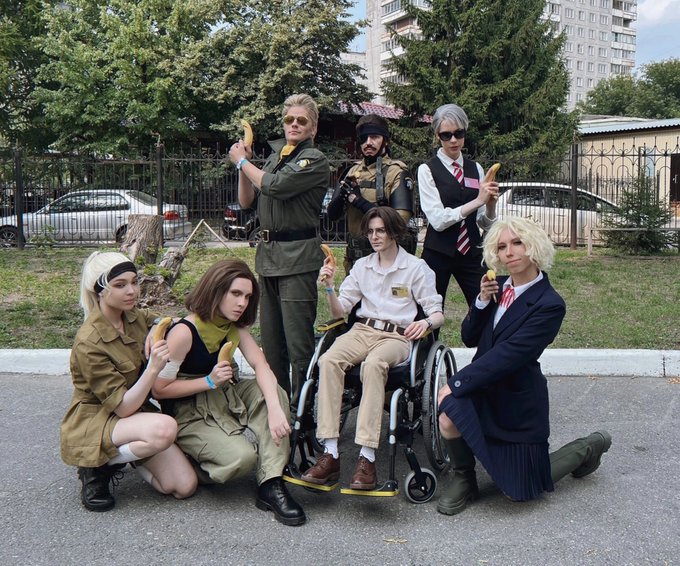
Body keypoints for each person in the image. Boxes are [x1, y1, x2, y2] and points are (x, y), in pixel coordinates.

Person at [436, 216, 612, 515]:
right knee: (448, 416)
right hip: (482, 389)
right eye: (502, 246)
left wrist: (456, 383)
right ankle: (464, 477)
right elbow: (469, 338)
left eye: (517, 243)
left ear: (534, 246)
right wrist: (481, 301)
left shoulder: (550, 304)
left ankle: (586, 448)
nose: (510, 252)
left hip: (516, 402)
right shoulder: (496, 287)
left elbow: (510, 354)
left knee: (520, 492)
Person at [151, 259, 306, 526]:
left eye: (247, 296)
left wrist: (275, 410)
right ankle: (186, 462)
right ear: (216, 291)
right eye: (235, 294)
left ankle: (271, 482)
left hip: (224, 395)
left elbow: (260, 365)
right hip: (189, 409)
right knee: (242, 459)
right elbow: (159, 390)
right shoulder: (184, 333)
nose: (242, 303)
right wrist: (208, 381)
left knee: (272, 392)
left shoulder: (233, 326)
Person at [301, 207, 444, 490]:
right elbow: (340, 312)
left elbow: (437, 313)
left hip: (397, 336)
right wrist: (329, 287)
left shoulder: (415, 268)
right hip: (362, 330)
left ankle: (367, 458)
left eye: (380, 231)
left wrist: (425, 323)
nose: (374, 236)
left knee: (374, 364)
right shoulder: (362, 266)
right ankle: (330, 452)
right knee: (328, 360)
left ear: (394, 232)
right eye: (370, 232)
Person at [60, 252, 197, 512]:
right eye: (120, 285)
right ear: (99, 290)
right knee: (164, 429)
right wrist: (153, 368)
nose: (132, 291)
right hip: (98, 418)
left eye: (134, 282)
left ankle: (128, 454)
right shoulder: (89, 342)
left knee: (184, 486)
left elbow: (163, 319)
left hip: (135, 413)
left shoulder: (132, 316)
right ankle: (97, 467)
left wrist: (158, 325)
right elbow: (122, 408)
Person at [228, 93, 330, 410]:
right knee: (272, 346)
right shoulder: (276, 158)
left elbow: (275, 187)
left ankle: (304, 413)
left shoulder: (313, 159)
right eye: (289, 119)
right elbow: (246, 201)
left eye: (301, 120)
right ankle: (281, 408)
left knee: (298, 346)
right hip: (269, 258)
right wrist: (243, 167)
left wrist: (243, 162)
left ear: (313, 127)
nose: (294, 124)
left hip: (298, 259)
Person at [418, 103, 499, 309]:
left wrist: (490, 205)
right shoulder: (427, 170)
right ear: (437, 136)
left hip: (471, 251)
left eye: (458, 133)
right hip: (438, 251)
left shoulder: (476, 168)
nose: (453, 140)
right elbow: (438, 220)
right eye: (446, 135)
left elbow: (484, 222)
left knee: (487, 305)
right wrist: (477, 201)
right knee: (429, 310)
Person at [325, 113, 416, 273]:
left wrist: (358, 201)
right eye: (364, 138)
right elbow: (332, 215)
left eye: (374, 137)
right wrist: (342, 196)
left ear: (385, 140)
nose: (368, 142)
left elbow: (400, 221)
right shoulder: (350, 172)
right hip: (356, 261)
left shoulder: (396, 172)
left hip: (388, 262)